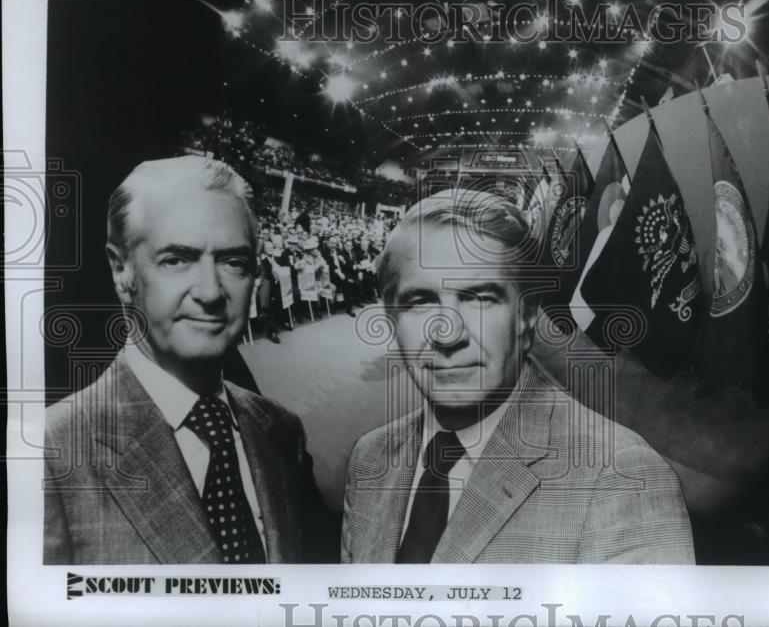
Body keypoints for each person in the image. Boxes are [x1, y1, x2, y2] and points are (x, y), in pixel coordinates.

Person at [341, 189, 696, 564]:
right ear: (391, 320)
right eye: (420, 302)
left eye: (479, 298)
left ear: (526, 315)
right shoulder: (369, 458)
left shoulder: (622, 479)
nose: (447, 333)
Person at [44, 156, 335, 564]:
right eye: (176, 260)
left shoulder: (281, 431)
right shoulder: (49, 454)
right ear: (120, 270)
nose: (210, 292)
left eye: (234, 262)